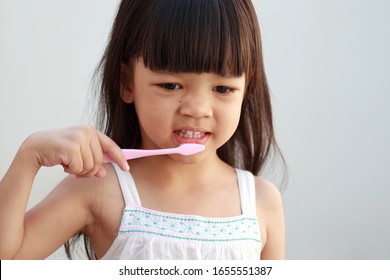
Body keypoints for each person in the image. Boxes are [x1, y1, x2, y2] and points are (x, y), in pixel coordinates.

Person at [0, 0, 285, 260]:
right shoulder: (96, 188)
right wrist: (29, 155)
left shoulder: (262, 202)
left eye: (223, 88)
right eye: (170, 85)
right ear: (126, 83)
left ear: (246, 87)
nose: (198, 109)